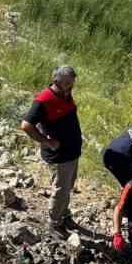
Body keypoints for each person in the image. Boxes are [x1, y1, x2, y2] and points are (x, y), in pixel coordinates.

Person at [20, 66, 83, 235]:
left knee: (68, 186)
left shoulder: (65, 93)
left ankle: (64, 214)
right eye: (68, 83)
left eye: (72, 83)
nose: (71, 87)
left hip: (72, 152)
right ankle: (54, 223)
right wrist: (46, 141)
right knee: (61, 189)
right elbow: (26, 125)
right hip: (59, 155)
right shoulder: (43, 100)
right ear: (56, 81)